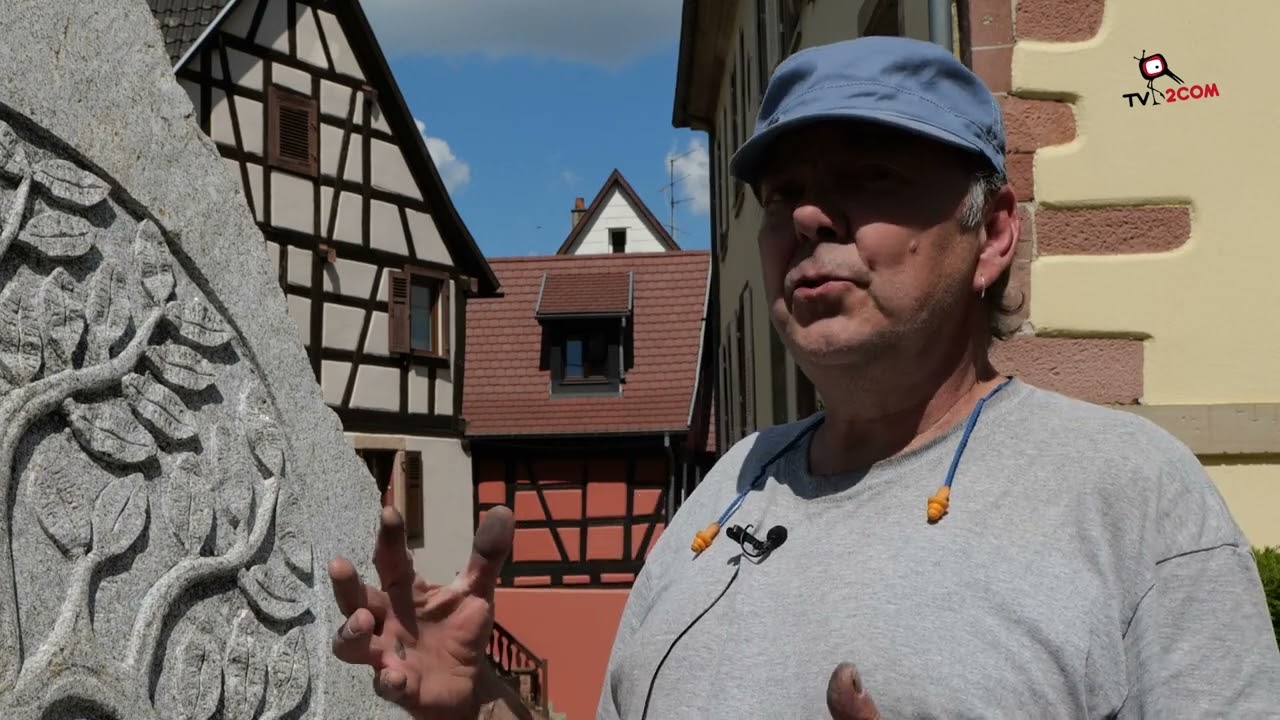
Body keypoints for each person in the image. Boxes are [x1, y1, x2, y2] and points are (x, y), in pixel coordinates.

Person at [326, 36, 1280, 719]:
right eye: (783, 195)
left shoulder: (1131, 498)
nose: (810, 218)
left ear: (990, 235)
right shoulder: (724, 491)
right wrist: (482, 706)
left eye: (869, 174)